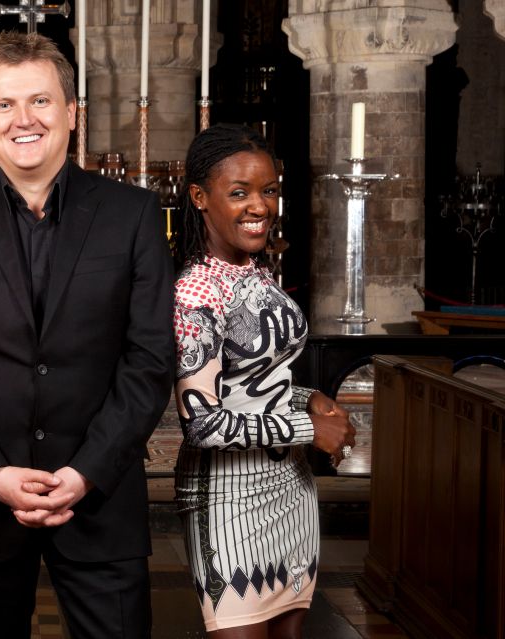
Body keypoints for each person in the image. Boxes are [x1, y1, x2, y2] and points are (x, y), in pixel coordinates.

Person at [0, 31, 174, 639]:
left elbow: (150, 360)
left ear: (72, 112)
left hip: (100, 499)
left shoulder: (132, 214)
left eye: (41, 101)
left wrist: (86, 472)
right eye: (4, 105)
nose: (22, 119)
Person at [173, 123, 357, 637]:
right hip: (230, 500)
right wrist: (306, 428)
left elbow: (254, 384)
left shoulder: (256, 271)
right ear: (199, 197)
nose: (260, 205)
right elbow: (202, 423)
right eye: (239, 193)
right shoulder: (195, 294)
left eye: (269, 190)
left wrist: (310, 396)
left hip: (291, 491)